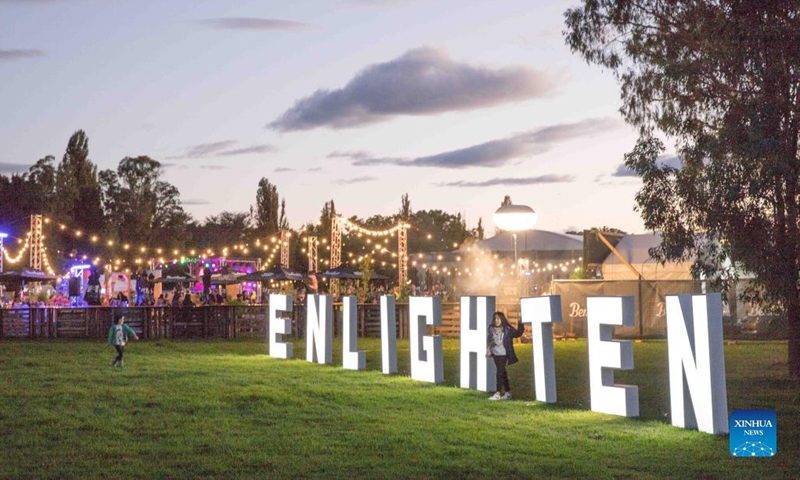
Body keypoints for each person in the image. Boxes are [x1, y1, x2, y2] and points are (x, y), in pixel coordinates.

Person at [486, 311, 525, 400]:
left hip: (503, 354)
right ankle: (508, 392)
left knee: (499, 373)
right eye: (495, 318)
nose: (496, 320)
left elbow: (518, 333)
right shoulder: (491, 328)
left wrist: (520, 323)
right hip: (495, 354)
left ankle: (497, 393)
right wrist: (488, 350)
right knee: (503, 373)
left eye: (498, 318)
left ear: (502, 319)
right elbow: (490, 340)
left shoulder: (507, 329)